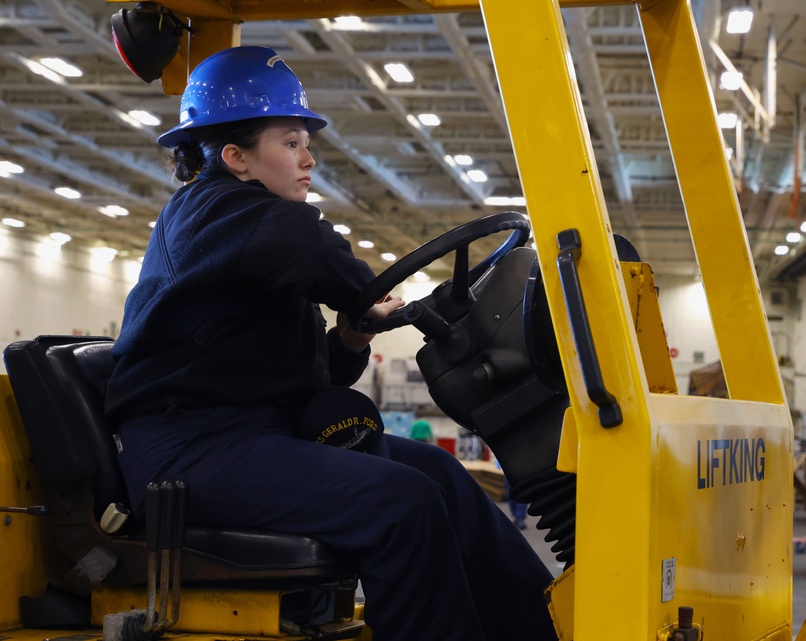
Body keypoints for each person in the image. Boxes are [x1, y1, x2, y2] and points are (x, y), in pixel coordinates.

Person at [105, 46, 556, 641]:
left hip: (255, 434)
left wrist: (350, 332)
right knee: (403, 504)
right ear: (236, 157)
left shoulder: (249, 241)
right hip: (186, 453)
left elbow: (309, 374)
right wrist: (360, 291)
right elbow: (309, 244)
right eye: (290, 143)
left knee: (443, 477)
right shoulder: (213, 210)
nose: (309, 159)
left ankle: (537, 628)